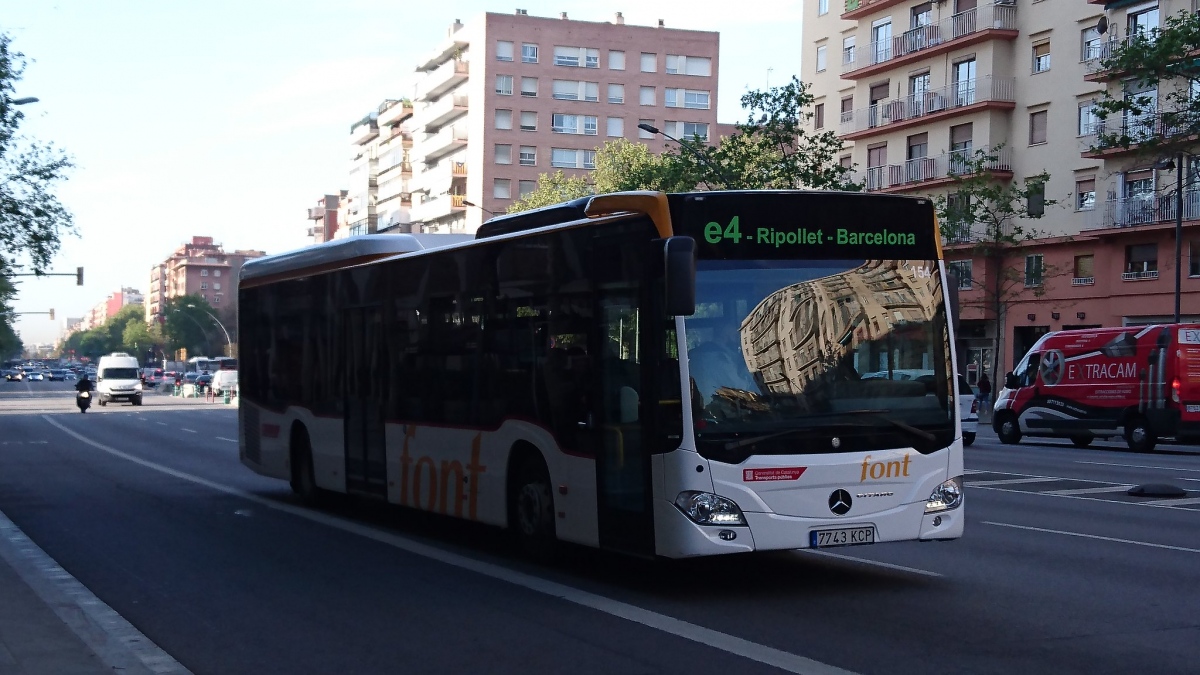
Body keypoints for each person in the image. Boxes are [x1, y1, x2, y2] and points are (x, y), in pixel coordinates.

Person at [688, 321, 758, 412]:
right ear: (724, 334)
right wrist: (750, 374)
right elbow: (739, 388)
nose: (738, 341)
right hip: (715, 412)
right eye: (734, 336)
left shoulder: (704, 353)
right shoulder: (717, 357)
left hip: (709, 406)